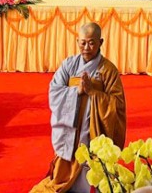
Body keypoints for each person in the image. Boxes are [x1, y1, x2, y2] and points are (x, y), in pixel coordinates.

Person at [31, 23, 125, 193]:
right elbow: (54, 91)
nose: (86, 48)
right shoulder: (69, 65)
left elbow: (117, 105)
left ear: (101, 42)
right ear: (77, 41)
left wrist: (93, 93)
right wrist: (77, 91)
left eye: (91, 43)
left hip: (94, 130)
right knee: (62, 179)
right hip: (71, 128)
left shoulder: (108, 70)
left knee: (92, 166)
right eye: (83, 43)